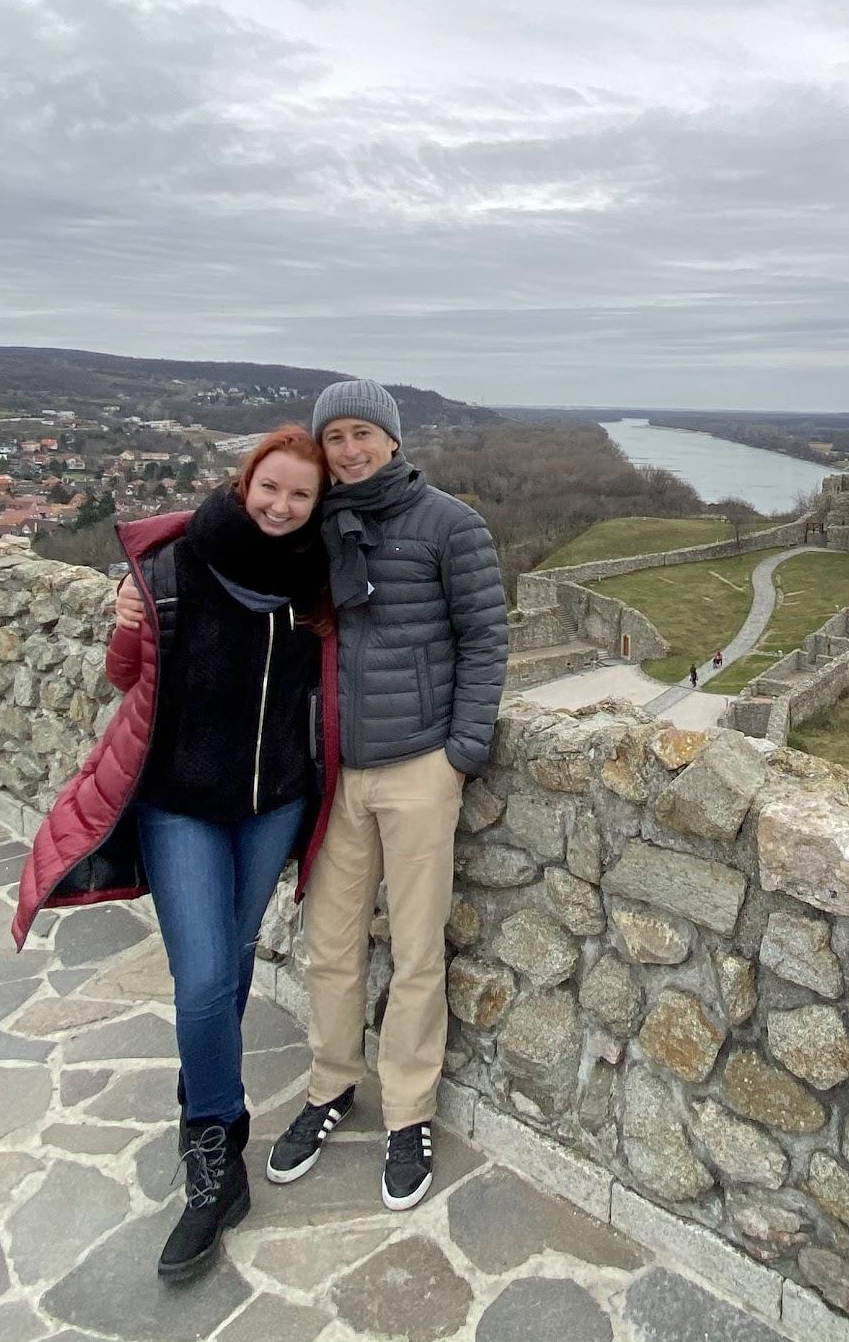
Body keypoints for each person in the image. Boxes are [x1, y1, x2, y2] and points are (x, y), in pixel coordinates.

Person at [13, 427, 340, 1282]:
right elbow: (129, 676)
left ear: (317, 503)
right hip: (181, 805)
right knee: (200, 977)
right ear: (247, 482)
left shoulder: (317, 582)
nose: (281, 505)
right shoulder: (179, 562)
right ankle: (215, 1153)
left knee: (230, 965)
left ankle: (205, 1101)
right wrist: (126, 619)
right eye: (271, 487)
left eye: (300, 495)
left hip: (272, 805)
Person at [262, 378, 508, 1213]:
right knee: (329, 945)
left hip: (416, 768)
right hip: (336, 771)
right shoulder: (320, 526)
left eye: (363, 432)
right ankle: (331, 1083)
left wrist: (460, 754)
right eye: (336, 438)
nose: (350, 450)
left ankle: (408, 1112)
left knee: (415, 950)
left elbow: (485, 636)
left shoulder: (449, 524)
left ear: (393, 439)